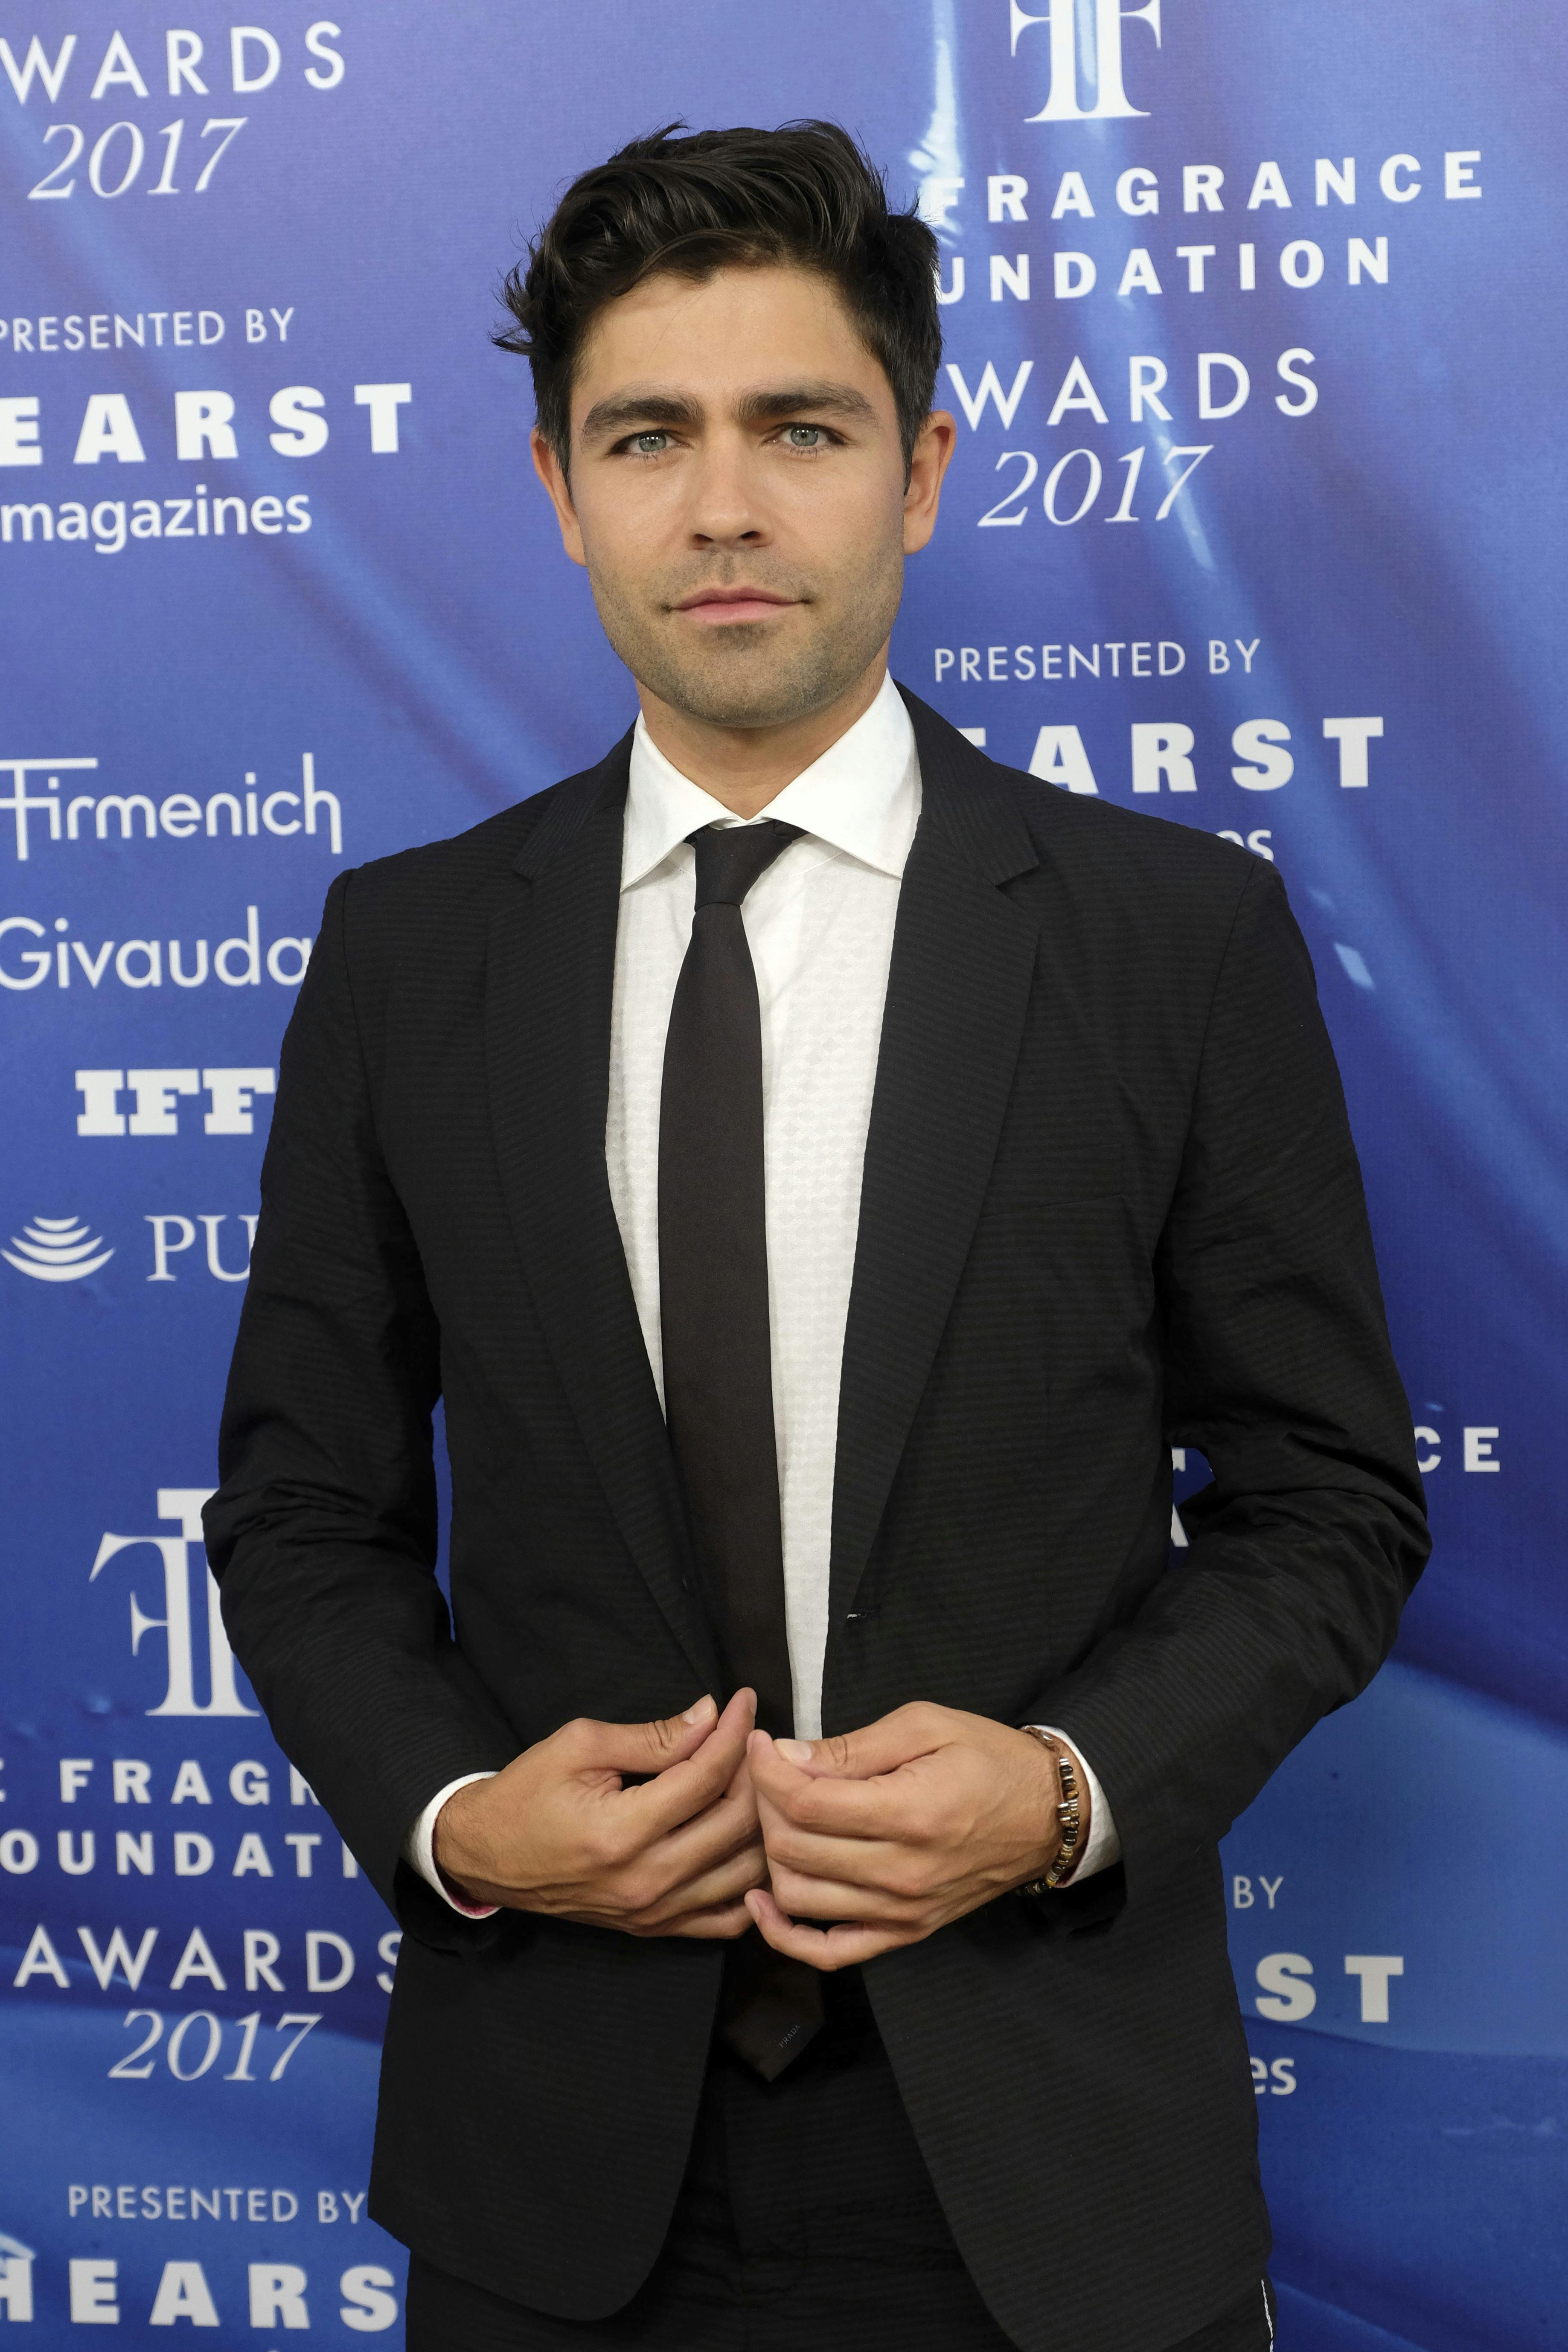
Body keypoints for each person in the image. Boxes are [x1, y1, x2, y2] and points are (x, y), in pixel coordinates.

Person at [206, 121, 1429, 2352]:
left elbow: (1330, 1505)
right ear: (562, 491)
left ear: (925, 465)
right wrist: (469, 1817)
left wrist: (1063, 1795)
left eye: (803, 427)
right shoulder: (406, 961)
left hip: (1052, 2161)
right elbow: (302, 1518)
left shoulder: (1177, 942)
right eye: (647, 436)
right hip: (553, 2175)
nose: (727, 505)